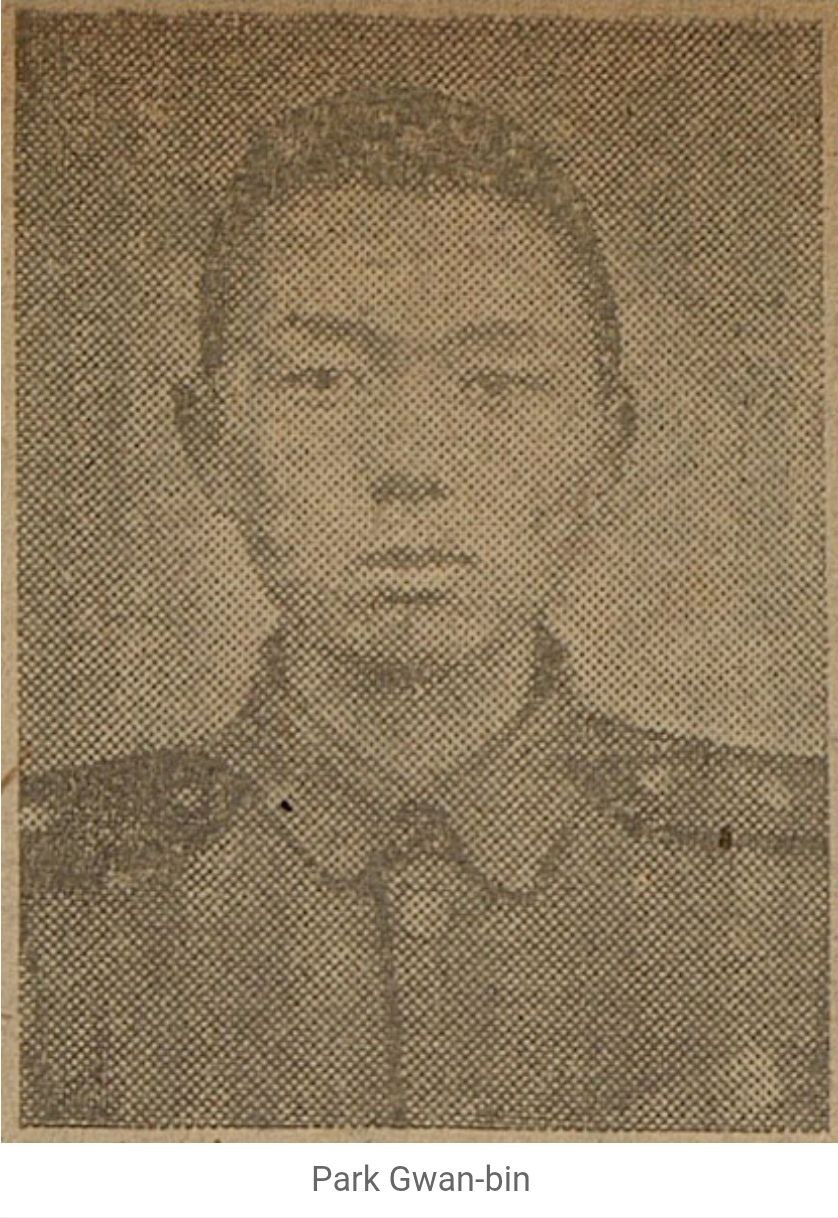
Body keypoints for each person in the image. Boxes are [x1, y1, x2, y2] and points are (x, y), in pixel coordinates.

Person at [19, 87, 828, 1132]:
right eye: (322, 379)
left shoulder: (799, 885)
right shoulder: (40, 897)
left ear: (606, 448)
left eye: (497, 385)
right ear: (209, 443)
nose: (410, 465)